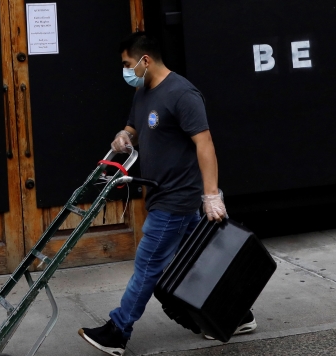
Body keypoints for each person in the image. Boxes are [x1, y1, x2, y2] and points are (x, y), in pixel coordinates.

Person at [77, 32, 256, 356]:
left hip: (177, 198)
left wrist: (211, 195)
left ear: (145, 60)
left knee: (148, 265)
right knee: (200, 260)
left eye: (127, 64)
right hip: (162, 195)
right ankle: (239, 315)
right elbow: (134, 127)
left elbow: (205, 144)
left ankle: (118, 332)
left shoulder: (182, 94)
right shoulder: (143, 91)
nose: (125, 71)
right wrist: (124, 136)